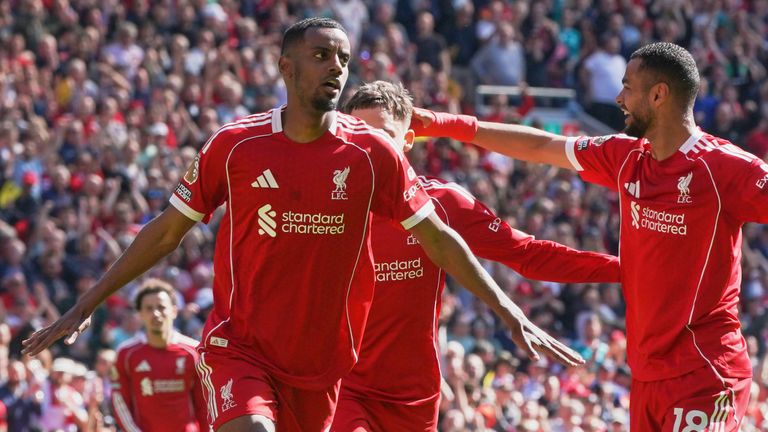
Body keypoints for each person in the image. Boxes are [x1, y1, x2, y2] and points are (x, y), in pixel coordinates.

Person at [22, 18, 581, 432]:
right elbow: (167, 231)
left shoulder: (372, 156)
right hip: (240, 348)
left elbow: (439, 239)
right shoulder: (236, 146)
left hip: (321, 367)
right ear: (285, 67)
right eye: (321, 56)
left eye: (342, 58)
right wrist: (83, 306)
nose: (335, 68)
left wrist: (510, 312)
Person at [411, 42, 768, 431]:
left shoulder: (725, 168)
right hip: (647, 375)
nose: (619, 98)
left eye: (628, 87)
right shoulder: (627, 156)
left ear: (659, 94)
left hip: (705, 371)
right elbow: (540, 145)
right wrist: (439, 123)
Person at [331, 80, 620, 431]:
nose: (371, 146)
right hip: (344, 384)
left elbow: (527, 253)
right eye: (361, 134)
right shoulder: (327, 204)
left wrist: (625, 270)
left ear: (406, 141)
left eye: (383, 135)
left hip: (414, 393)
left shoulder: (442, 203)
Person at [110, 278, 207, 432]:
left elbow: (205, 404)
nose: (156, 313)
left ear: (174, 311)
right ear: (140, 314)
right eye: (148, 308)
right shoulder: (126, 354)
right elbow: (120, 402)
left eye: (161, 307)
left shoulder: (194, 351)